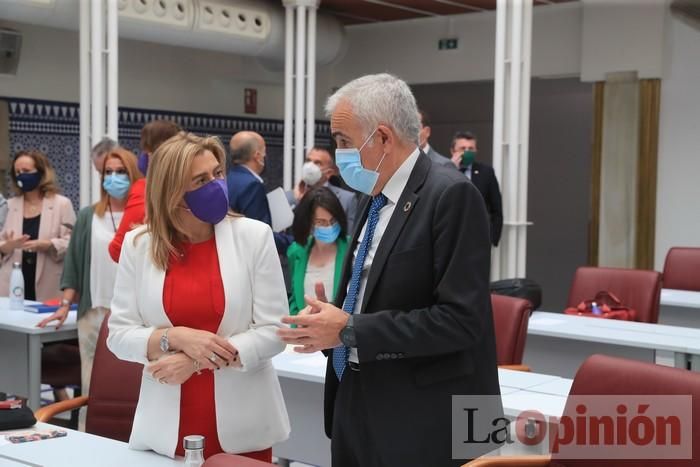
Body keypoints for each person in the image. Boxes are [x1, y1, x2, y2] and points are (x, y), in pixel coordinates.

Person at [278, 74, 501, 467]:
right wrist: (331, 323)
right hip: (358, 399)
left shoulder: (451, 194)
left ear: (382, 138)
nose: (338, 152)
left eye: (344, 141)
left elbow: (463, 321)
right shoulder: (376, 194)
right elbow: (373, 291)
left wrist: (349, 328)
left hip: (424, 417)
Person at [107, 132, 289, 461]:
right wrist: (171, 337)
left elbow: (273, 333)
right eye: (201, 179)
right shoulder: (139, 245)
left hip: (242, 427)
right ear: (172, 191)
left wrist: (196, 361)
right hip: (164, 428)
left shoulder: (253, 237)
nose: (216, 185)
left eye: (218, 173)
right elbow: (118, 335)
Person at [36, 147, 142, 430]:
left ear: (133, 175)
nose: (114, 177)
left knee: (134, 384)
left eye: (121, 172)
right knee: (91, 384)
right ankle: (89, 437)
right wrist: (63, 306)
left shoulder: (146, 217)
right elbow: (74, 265)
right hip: (93, 314)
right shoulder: (87, 216)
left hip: (134, 316)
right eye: (108, 172)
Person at [0, 150, 75, 301]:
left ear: (41, 172)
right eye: (18, 172)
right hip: (11, 285)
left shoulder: (62, 204)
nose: (21, 175)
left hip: (49, 285)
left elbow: (74, 242)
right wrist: (6, 246)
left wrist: (48, 244)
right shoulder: (8, 205)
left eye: (26, 171)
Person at [108, 119, 181, 262]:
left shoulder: (144, 189)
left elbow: (117, 249)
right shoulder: (187, 187)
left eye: (147, 149)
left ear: (152, 154)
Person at [287, 186, 349, 316]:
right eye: (321, 222)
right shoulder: (296, 252)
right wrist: (296, 324)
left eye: (333, 221)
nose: (329, 227)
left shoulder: (351, 248)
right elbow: (294, 299)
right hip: (304, 332)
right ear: (308, 223)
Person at [227, 130, 291, 253]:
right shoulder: (252, 185)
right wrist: (293, 242)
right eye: (264, 151)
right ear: (257, 156)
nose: (265, 156)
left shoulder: (228, 178)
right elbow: (260, 234)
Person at [450, 131, 503, 247]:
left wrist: (492, 239)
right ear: (453, 151)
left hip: (479, 237)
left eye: (471, 148)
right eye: (462, 148)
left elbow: (496, 209)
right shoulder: (443, 171)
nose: (467, 152)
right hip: (451, 236)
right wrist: (451, 168)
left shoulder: (486, 172)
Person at [293, 147, 359, 233]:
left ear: (329, 173)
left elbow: (350, 236)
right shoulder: (290, 198)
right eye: (308, 161)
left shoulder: (347, 199)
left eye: (317, 163)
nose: (310, 166)